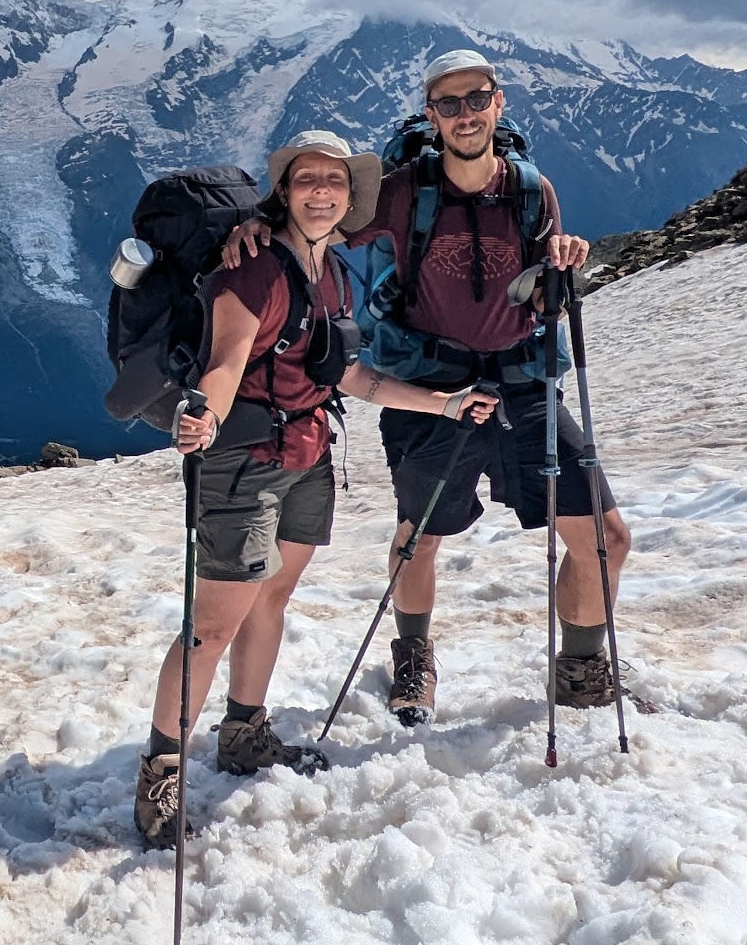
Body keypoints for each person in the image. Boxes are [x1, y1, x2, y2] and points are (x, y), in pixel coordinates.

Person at [227, 50, 632, 729]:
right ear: (431, 115)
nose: (465, 114)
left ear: (499, 103)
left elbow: (542, 278)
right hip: (429, 386)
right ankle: (413, 652)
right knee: (419, 535)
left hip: (523, 383)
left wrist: (564, 254)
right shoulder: (401, 192)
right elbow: (319, 217)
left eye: (476, 100)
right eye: (449, 105)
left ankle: (581, 671)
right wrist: (257, 225)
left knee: (605, 538)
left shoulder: (534, 192)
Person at [135, 130, 496, 849]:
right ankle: (161, 773)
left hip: (309, 457)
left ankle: (244, 732)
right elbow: (228, 358)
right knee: (212, 626)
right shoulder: (255, 272)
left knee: (271, 597)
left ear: (350, 194)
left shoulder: (330, 272)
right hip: (246, 465)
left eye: (335, 180)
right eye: (308, 179)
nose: (322, 191)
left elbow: (347, 375)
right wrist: (203, 414)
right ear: (284, 189)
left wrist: (443, 404)